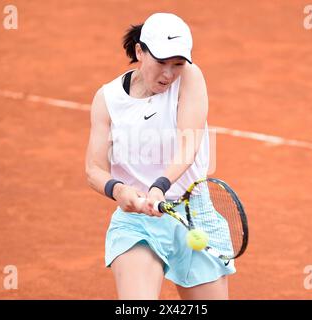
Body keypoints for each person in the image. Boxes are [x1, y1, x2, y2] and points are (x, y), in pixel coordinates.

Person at [85, 12, 235, 300]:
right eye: (161, 62)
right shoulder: (107, 100)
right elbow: (94, 169)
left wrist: (159, 187)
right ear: (140, 51)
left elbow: (187, 147)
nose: (169, 74)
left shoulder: (190, 77)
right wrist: (119, 191)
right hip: (140, 220)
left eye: (177, 64)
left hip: (194, 214)